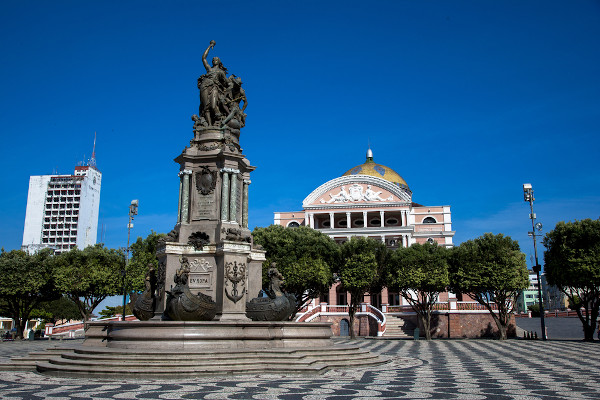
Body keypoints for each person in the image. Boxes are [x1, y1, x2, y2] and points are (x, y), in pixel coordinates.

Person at [198, 40, 230, 126]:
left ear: (219, 62)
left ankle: (218, 119)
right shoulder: (209, 69)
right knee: (205, 108)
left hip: (214, 87)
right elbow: (203, 58)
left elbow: (227, 83)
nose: (214, 60)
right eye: (213, 59)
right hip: (204, 86)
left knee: (213, 105)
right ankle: (209, 126)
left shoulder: (221, 72)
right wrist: (209, 46)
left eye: (216, 59)